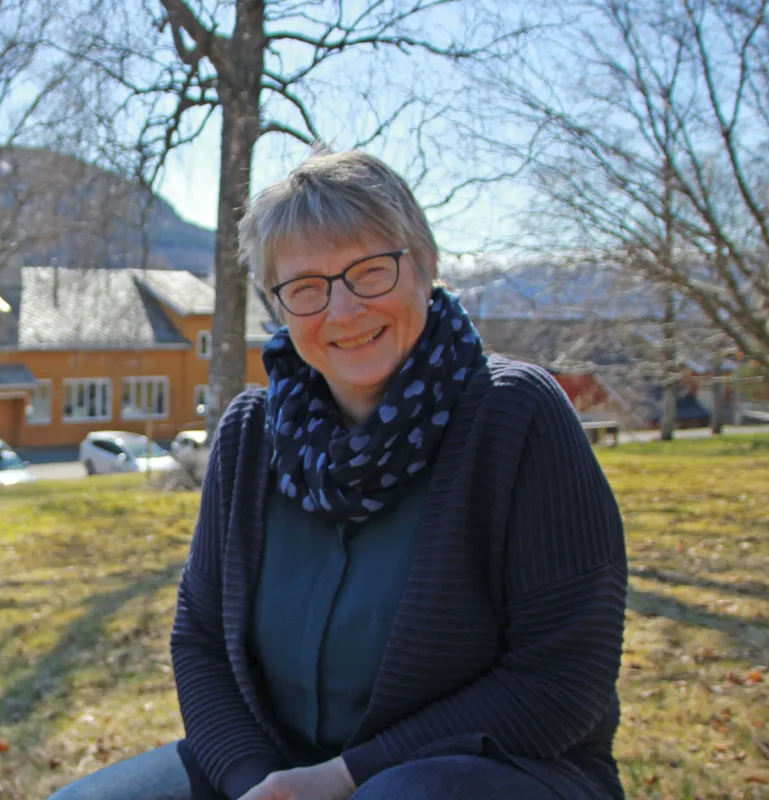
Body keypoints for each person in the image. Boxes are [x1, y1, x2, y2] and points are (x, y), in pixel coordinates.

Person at [49, 149, 627, 800]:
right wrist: (259, 787)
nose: (343, 311)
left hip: (502, 770)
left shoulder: (515, 414)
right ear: (279, 305)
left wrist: (347, 778)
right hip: (280, 769)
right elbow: (202, 640)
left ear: (426, 265)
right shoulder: (249, 434)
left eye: (370, 271)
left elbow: (561, 680)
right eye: (306, 288)